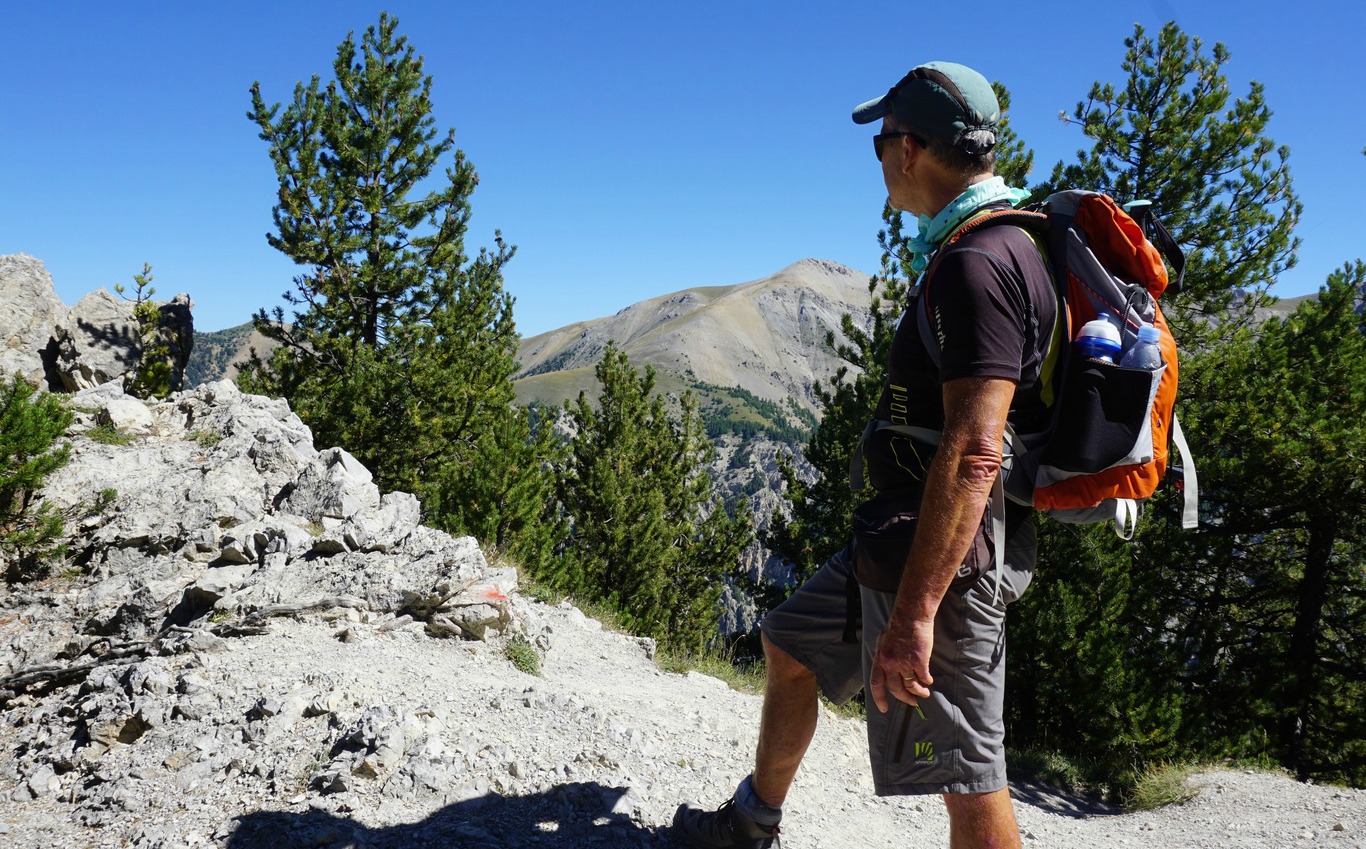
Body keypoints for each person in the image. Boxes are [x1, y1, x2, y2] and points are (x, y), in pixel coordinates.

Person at [672, 61, 1055, 848]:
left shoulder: (978, 266)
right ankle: (751, 823)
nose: (878, 159)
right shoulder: (984, 247)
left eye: (880, 142)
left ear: (910, 148)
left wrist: (916, 614)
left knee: (968, 778)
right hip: (901, 537)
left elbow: (976, 450)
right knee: (787, 641)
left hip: (948, 562)